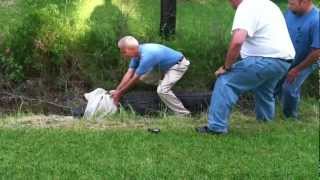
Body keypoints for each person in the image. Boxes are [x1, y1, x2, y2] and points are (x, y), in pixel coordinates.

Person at [196, 0, 296, 134]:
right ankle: (266, 124)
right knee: (263, 89)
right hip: (284, 61)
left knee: (225, 81)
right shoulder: (267, 4)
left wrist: (226, 67)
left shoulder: (246, 7)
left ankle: (216, 127)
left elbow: (237, 41)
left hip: (265, 59)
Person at [111, 36, 191, 116]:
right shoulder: (136, 53)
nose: (123, 55)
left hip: (177, 66)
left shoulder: (148, 55)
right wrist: (117, 90)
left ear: (132, 49)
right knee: (143, 78)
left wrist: (119, 94)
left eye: (124, 52)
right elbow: (129, 73)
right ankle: (163, 83)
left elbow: (134, 78)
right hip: (161, 67)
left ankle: (183, 113)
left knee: (162, 90)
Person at [279, 0, 320, 118]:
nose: (289, 6)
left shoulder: (317, 20)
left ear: (305, 2)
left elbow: (317, 52)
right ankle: (273, 110)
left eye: (292, 4)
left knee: (289, 86)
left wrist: (297, 70)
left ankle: (290, 118)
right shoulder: (290, 13)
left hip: (309, 59)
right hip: (289, 56)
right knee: (274, 82)